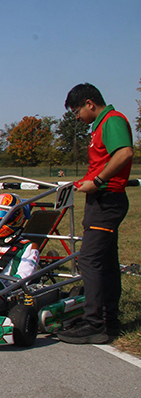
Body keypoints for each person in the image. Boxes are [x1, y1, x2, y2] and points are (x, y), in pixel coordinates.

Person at [56, 83, 133, 344]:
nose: (77, 117)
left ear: (90, 103)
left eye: (77, 111)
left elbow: (124, 153)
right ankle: (108, 321)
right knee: (106, 262)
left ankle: (95, 323)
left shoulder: (112, 120)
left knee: (89, 260)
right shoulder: (99, 126)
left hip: (107, 200)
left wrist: (98, 181)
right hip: (100, 200)